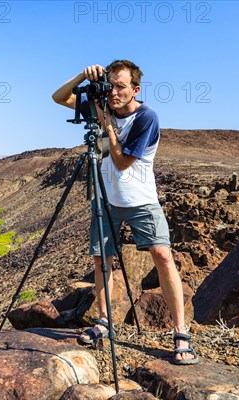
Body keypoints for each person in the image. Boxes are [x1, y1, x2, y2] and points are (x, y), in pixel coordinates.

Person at [52, 60, 198, 365]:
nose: (115, 92)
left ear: (135, 89)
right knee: (101, 259)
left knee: (162, 255)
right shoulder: (103, 103)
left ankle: (181, 332)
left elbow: (120, 162)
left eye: (121, 86)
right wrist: (83, 75)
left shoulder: (147, 118)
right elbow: (59, 97)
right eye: (111, 85)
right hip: (106, 199)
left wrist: (106, 124)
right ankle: (103, 322)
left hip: (142, 199)